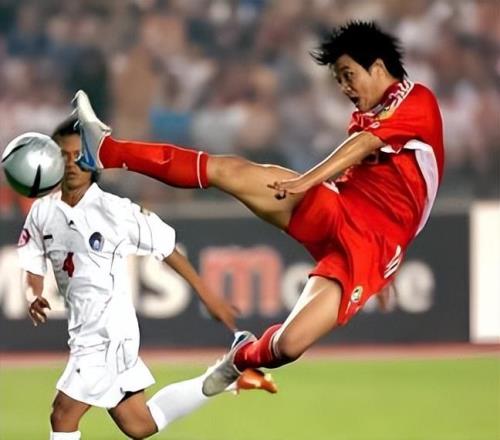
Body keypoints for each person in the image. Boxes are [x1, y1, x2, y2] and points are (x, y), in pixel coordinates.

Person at [72, 21, 444, 396]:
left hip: (371, 248)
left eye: (349, 75)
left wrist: (308, 180)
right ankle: (106, 151)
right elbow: (379, 181)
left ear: (377, 67)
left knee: (289, 345)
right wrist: (313, 186)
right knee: (229, 171)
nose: (345, 88)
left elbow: (365, 146)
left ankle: (239, 359)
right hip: (336, 207)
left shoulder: (416, 101)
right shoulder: (369, 114)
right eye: (339, 80)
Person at [19, 117, 276, 440]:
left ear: (93, 160)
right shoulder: (41, 212)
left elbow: (166, 247)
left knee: (63, 414)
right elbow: (31, 263)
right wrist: (33, 295)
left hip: (109, 331)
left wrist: (207, 294)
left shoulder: (114, 210)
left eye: (78, 155)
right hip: (82, 330)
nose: (71, 164)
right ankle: (226, 375)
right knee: (139, 424)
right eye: (63, 156)